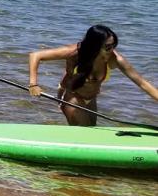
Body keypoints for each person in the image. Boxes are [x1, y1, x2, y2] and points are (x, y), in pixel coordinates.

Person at [28, 25, 158, 126]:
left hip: (91, 99)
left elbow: (142, 83)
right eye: (107, 47)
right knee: (84, 134)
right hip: (72, 96)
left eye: (114, 45)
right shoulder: (74, 53)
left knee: (91, 130)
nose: (111, 50)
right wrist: (33, 84)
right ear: (94, 46)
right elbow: (35, 56)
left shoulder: (115, 59)